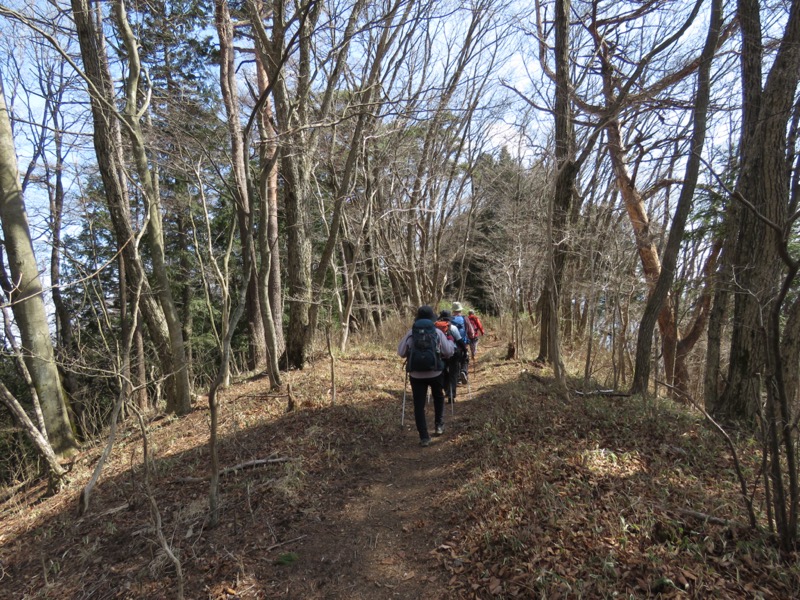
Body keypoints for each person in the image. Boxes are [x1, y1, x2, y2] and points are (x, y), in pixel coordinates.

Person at [398, 305, 455, 446]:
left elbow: (401, 352)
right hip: (435, 371)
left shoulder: (411, 333)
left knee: (419, 404)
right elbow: (448, 351)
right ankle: (439, 425)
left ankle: (424, 437)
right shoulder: (437, 332)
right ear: (432, 318)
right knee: (438, 397)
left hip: (416, 375)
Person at [434, 310, 466, 404]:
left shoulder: (436, 328)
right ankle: (452, 395)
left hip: (440, 354)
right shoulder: (453, 327)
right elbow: (460, 341)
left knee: (443, 373)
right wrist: (465, 351)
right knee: (453, 374)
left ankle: (447, 390)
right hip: (453, 353)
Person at [450, 302, 473, 383]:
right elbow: (471, 332)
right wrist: (470, 338)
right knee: (465, 358)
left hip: (452, 344)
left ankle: (458, 377)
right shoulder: (465, 318)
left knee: (455, 360)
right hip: (463, 342)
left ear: (453, 310)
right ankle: (464, 371)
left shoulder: (449, 319)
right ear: (460, 310)